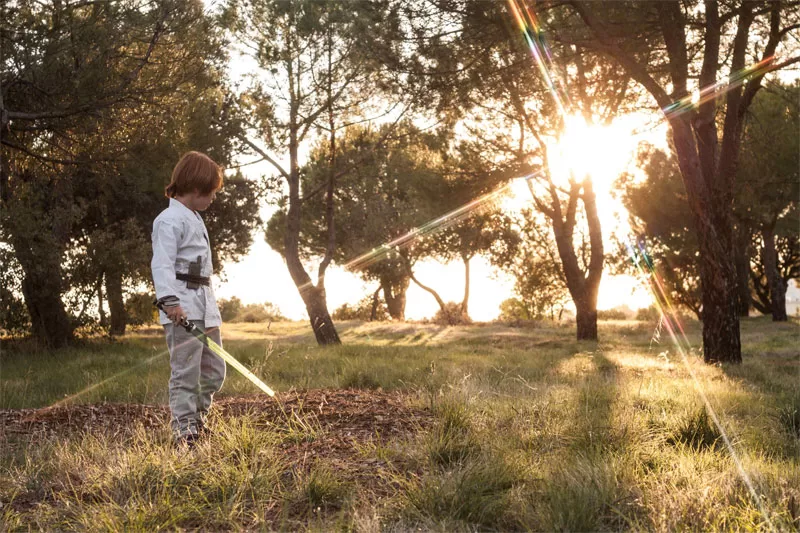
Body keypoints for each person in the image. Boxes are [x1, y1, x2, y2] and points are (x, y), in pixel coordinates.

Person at [151, 151, 226, 447]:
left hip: (205, 308)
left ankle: (198, 420)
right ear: (196, 188)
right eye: (211, 192)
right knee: (185, 373)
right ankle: (185, 433)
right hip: (182, 309)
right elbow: (162, 263)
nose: (213, 198)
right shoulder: (169, 220)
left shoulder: (193, 218)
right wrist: (170, 302)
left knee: (214, 371)